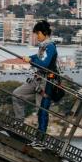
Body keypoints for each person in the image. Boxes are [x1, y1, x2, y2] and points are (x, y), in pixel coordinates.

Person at [13, 20, 58, 149]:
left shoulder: (50, 46)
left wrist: (31, 61)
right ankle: (19, 123)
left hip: (47, 82)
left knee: (41, 111)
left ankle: (41, 140)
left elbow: (43, 63)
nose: (36, 36)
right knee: (17, 94)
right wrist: (29, 57)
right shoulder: (43, 45)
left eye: (37, 33)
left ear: (44, 33)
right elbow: (39, 56)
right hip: (37, 79)